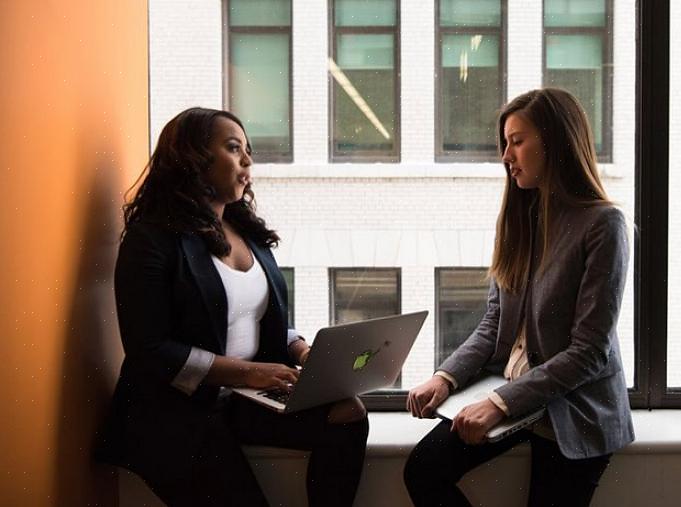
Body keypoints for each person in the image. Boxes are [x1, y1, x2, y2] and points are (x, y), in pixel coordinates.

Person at [95, 107, 368, 506]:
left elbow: (251, 318)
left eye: (248, 151)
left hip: (239, 398)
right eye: (234, 148)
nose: (247, 160)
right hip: (172, 412)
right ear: (191, 157)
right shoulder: (150, 240)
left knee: (347, 413)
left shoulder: (247, 234)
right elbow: (148, 351)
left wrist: (303, 351)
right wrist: (251, 372)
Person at [404, 88, 634, 506]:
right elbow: (495, 325)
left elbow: (589, 352)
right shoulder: (519, 220)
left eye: (517, 141)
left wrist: (499, 404)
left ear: (555, 140)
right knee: (423, 470)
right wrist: (445, 378)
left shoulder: (604, 224)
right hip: (515, 394)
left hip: (575, 407)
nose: (506, 155)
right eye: (504, 143)